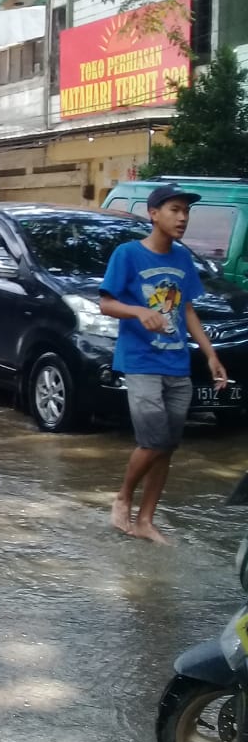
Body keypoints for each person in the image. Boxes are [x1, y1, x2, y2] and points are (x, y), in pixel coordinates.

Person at [99, 184, 228, 543]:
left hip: (177, 363)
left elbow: (186, 309)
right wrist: (139, 311)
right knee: (154, 440)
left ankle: (146, 520)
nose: (183, 217)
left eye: (186, 212)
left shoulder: (182, 258)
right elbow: (106, 304)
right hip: (140, 362)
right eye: (175, 209)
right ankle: (123, 497)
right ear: (154, 214)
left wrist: (210, 355)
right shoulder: (127, 255)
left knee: (168, 445)